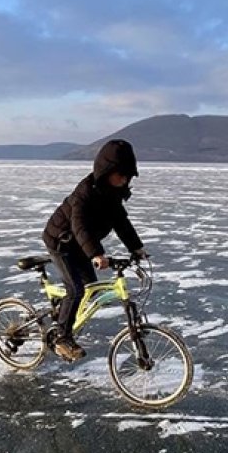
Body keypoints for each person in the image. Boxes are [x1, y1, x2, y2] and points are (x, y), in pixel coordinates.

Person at [42, 139, 148, 362]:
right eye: (120, 173)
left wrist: (137, 248)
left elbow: (122, 224)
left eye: (127, 175)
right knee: (76, 290)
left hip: (79, 245)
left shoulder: (113, 197)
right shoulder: (84, 193)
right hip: (61, 241)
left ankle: (61, 315)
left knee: (91, 288)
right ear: (105, 170)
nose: (124, 179)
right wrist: (96, 254)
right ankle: (61, 336)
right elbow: (79, 226)